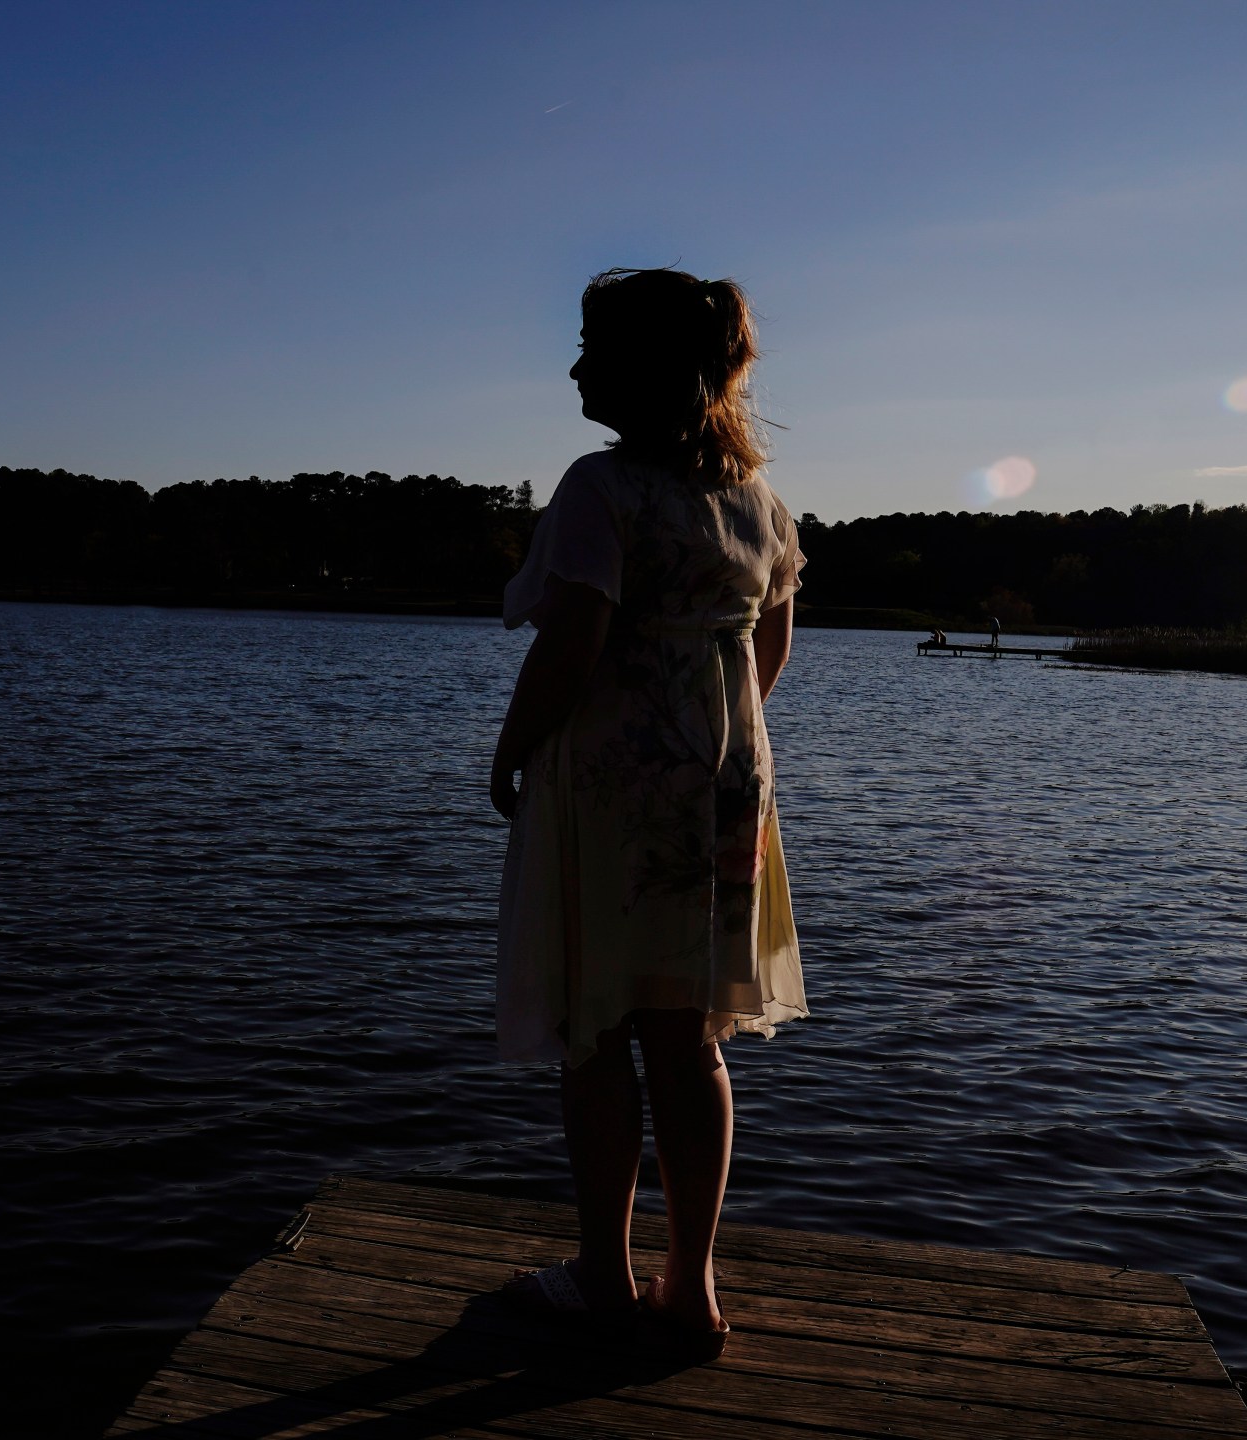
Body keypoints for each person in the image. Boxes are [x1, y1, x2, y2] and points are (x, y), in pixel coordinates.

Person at [488, 267, 806, 1355]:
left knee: (595, 1031)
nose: (576, 365)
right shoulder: (758, 500)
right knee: (689, 1036)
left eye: (592, 346)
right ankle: (693, 1290)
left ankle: (605, 1286)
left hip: (614, 788)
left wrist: (512, 745)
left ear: (650, 369)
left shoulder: (601, 487)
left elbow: (572, 640)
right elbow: (769, 648)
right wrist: (710, 738)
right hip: (723, 785)